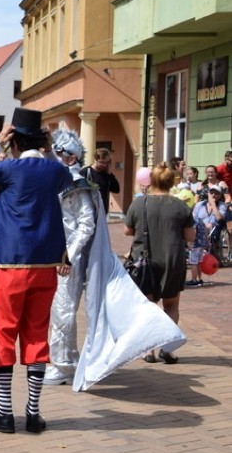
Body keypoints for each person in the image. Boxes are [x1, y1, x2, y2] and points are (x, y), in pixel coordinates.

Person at [0, 109, 72, 435]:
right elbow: (68, 174)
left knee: (3, 334)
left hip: (10, 265)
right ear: (42, 140)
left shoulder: (7, 168)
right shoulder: (55, 171)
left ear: (14, 142)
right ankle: (33, 414)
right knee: (37, 335)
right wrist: (49, 148)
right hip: (45, 267)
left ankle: (4, 413)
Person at [124, 162, 195, 364]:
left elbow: (127, 230)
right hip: (172, 259)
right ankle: (166, 348)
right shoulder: (180, 205)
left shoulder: (139, 203)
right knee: (171, 305)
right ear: (171, 182)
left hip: (145, 261)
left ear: (151, 181)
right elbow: (190, 236)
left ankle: (148, 351)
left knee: (148, 305)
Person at [43, 128, 99, 386]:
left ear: (70, 157)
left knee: (63, 311)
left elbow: (86, 224)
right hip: (54, 256)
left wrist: (70, 255)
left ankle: (64, 365)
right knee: (56, 311)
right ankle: (65, 361)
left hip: (68, 260)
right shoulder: (56, 182)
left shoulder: (77, 186)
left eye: (57, 153)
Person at [186, 187, 226, 288]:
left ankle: (194, 280)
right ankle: (199, 279)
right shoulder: (199, 205)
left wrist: (190, 241)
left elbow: (219, 218)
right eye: (211, 193)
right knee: (199, 260)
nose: (213, 195)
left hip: (201, 237)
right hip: (203, 237)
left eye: (216, 193)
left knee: (193, 261)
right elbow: (194, 218)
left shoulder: (221, 206)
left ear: (220, 196)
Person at [79, 148, 120, 214]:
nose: (104, 165)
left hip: (102, 212)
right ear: (95, 160)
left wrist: (110, 174)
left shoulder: (106, 174)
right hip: (88, 212)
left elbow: (116, 189)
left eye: (106, 163)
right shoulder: (85, 172)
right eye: (102, 162)